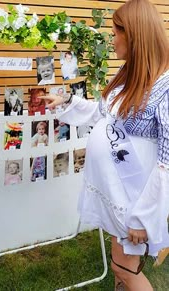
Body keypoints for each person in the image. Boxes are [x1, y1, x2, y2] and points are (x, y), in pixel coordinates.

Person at [39, 0, 169, 290]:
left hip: (135, 199)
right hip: (116, 194)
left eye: (115, 33)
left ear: (133, 36)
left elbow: (166, 162)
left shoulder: (165, 87)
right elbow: (102, 114)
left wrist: (144, 217)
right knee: (120, 266)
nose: (112, 39)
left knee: (126, 270)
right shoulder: (126, 78)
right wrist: (67, 102)